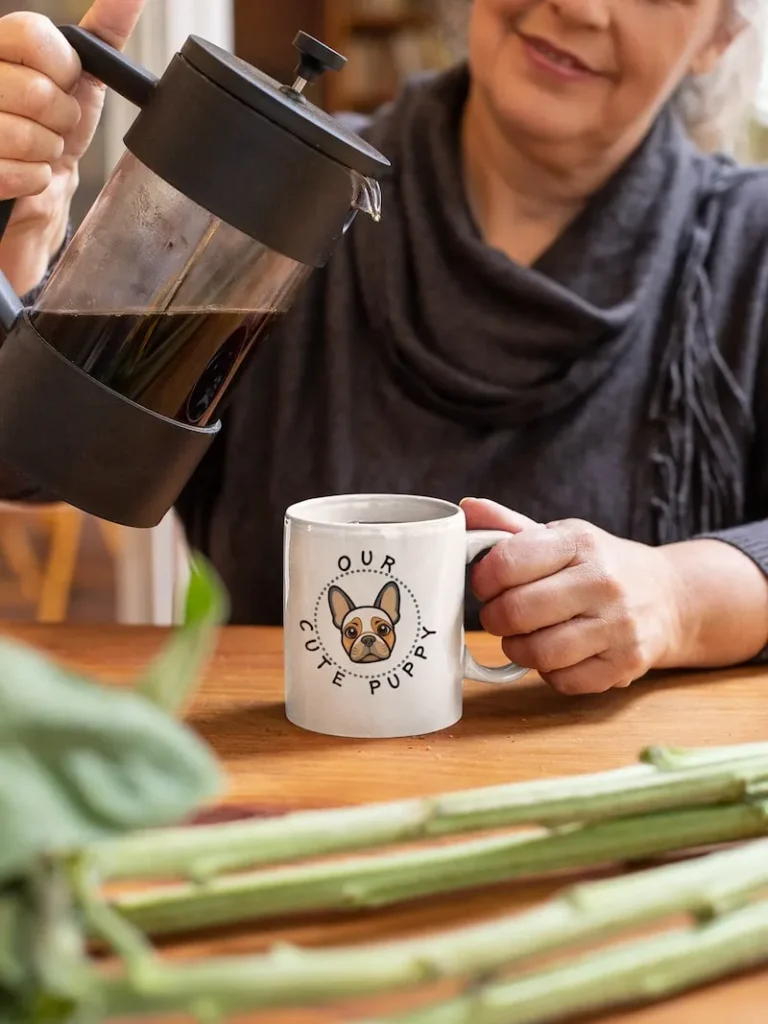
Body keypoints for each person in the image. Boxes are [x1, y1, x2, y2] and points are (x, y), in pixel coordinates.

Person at [0, 0, 767, 697]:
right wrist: (21, 249)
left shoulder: (750, 250)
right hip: (281, 797)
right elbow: (32, 453)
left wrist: (679, 597)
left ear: (720, 37)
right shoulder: (285, 195)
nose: (577, 5)